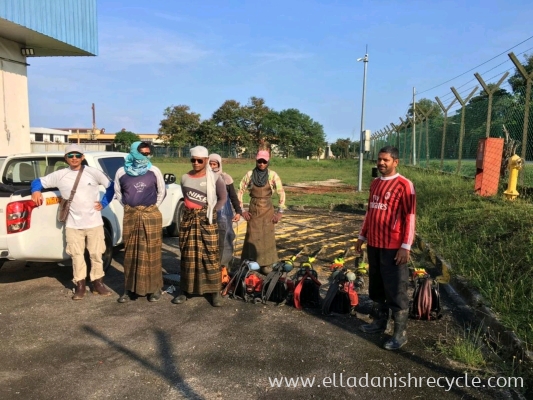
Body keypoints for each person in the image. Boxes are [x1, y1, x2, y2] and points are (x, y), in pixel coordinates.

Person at [30, 144, 115, 300]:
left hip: (94, 223)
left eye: (77, 155)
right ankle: (80, 285)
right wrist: (35, 190)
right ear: (66, 158)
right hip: (72, 224)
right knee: (76, 256)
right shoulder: (60, 175)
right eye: (70, 155)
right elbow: (38, 181)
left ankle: (98, 284)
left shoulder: (93, 172)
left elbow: (111, 187)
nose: (74, 158)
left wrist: (103, 203)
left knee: (96, 254)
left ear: (82, 157)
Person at [355, 145, 416, 350]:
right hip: (374, 243)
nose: (381, 163)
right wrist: (362, 236)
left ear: (395, 162)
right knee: (377, 286)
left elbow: (410, 218)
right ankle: (379, 323)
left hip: (393, 247)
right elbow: (370, 212)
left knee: (396, 289)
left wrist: (405, 246)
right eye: (379, 159)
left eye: (386, 160)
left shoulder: (404, 185)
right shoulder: (374, 184)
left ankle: (400, 334)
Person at [173, 146, 227, 307]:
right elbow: (186, 195)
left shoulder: (215, 178)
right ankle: (185, 290)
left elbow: (222, 198)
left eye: (199, 160)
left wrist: (211, 211)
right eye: (193, 160)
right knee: (188, 255)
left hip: (207, 221)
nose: (195, 163)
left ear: (206, 161)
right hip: (189, 220)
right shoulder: (185, 178)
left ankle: (214, 292)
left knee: (210, 254)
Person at [114, 142, 166, 303]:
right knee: (130, 253)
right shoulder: (122, 171)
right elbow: (118, 193)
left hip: (151, 214)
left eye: (148, 153)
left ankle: (154, 289)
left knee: (152, 252)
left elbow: (161, 192)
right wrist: (132, 208)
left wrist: (150, 208)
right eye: (142, 153)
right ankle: (129, 289)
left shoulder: (154, 170)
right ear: (133, 153)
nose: (145, 156)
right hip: (131, 215)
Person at [237, 149, 285, 275]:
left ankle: (266, 264)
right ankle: (251, 262)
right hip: (253, 209)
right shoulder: (249, 175)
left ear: (268, 162)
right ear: (256, 161)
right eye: (259, 161)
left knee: (267, 237)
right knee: (252, 236)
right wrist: (242, 210)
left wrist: (279, 212)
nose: (262, 164)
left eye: (264, 161)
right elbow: (240, 190)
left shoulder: (273, 175)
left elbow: (281, 192)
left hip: (268, 209)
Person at [208, 154, 242, 272]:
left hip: (224, 214)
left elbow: (233, 196)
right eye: (210, 164)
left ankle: (224, 266)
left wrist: (238, 211)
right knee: (210, 241)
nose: (212, 167)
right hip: (208, 213)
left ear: (219, 164)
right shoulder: (204, 179)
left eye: (215, 164)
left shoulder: (226, 178)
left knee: (226, 239)